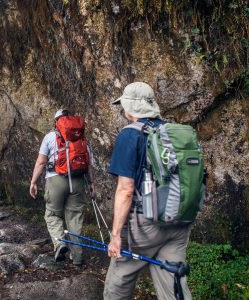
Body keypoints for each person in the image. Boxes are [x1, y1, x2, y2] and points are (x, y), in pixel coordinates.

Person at [103, 82, 192, 300]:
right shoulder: (174, 132)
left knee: (119, 281)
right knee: (173, 283)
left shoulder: (130, 135)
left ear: (130, 106)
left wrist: (115, 236)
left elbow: (125, 190)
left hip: (145, 225)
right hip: (179, 220)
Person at [29, 109, 95, 265]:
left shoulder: (50, 137)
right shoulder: (81, 137)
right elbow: (88, 164)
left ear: (56, 122)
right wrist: (92, 184)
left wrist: (33, 182)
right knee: (75, 219)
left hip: (55, 180)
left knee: (52, 215)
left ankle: (60, 244)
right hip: (78, 181)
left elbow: (41, 162)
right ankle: (77, 258)